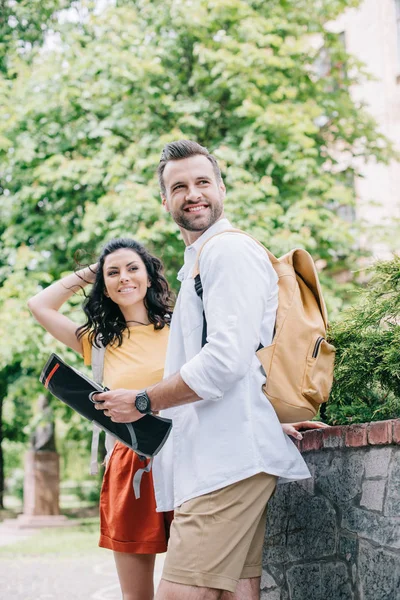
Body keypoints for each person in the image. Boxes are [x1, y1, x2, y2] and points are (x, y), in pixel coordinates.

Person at [94, 140, 328, 600]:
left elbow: (225, 360)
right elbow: (243, 362)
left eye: (202, 182)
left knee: (181, 594)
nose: (192, 193)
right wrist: (264, 419)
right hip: (227, 454)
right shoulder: (200, 261)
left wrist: (142, 401)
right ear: (165, 201)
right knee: (237, 591)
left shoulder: (226, 252)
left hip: (225, 465)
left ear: (221, 188)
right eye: (178, 186)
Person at [28, 238, 174, 600]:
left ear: (151, 277)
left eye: (133, 269)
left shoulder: (181, 327)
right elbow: (39, 305)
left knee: (193, 585)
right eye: (114, 273)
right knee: (137, 595)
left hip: (186, 456)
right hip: (131, 463)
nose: (124, 277)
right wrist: (96, 269)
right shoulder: (97, 341)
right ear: (103, 287)